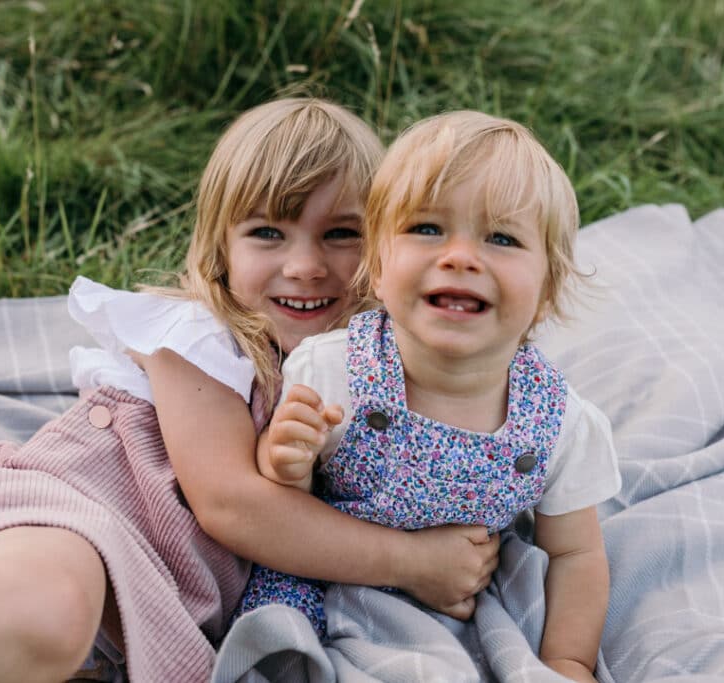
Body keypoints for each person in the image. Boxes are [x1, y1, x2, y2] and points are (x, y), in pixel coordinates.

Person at [0, 99, 500, 683]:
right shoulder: (201, 336)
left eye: (342, 233)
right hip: (74, 515)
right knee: (42, 615)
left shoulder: (366, 365)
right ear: (219, 250)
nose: (304, 264)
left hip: (138, 615)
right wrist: (414, 562)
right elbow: (232, 505)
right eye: (267, 231)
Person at [236, 110, 622, 683]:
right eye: (427, 229)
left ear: (546, 292)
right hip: (320, 583)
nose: (461, 257)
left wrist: (568, 661)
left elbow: (575, 555)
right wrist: (285, 461)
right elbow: (288, 508)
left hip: (457, 606)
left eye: (501, 238)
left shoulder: (559, 422)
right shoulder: (332, 368)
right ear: (378, 266)